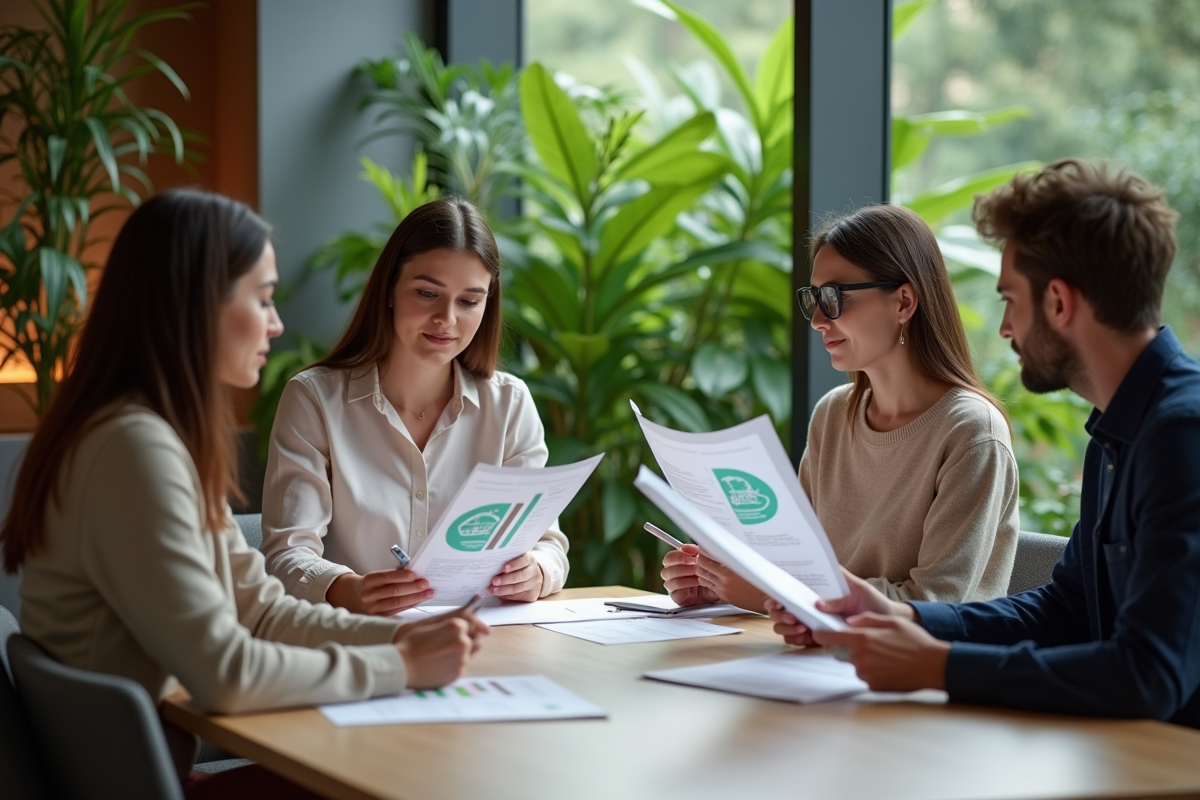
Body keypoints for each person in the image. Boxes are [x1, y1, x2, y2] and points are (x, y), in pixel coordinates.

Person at [0, 189, 488, 798]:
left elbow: (260, 611)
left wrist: (401, 637)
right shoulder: (134, 450)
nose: (277, 324)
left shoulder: (148, 434)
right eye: (262, 299)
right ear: (195, 305)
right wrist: (403, 667)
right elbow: (225, 673)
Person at [768, 158, 1200, 727]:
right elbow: (1069, 609)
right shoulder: (1119, 430)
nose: (1003, 328)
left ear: (1060, 303)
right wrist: (913, 624)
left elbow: (1148, 676)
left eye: (1010, 300)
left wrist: (941, 666)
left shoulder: (1180, 435)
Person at [663, 204, 1019, 610]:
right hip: (821, 657)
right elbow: (799, 568)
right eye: (813, 297)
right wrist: (721, 583)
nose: (816, 319)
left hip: (915, 670)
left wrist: (774, 593)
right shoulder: (832, 415)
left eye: (833, 297)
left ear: (903, 302)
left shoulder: (972, 432)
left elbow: (935, 606)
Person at [261, 198, 569, 616]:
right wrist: (351, 590)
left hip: (485, 640)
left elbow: (548, 543)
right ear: (389, 289)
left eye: (469, 301)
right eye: (427, 293)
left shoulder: (510, 405)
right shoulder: (314, 399)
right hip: (358, 642)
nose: (447, 318)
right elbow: (286, 556)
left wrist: (537, 571)